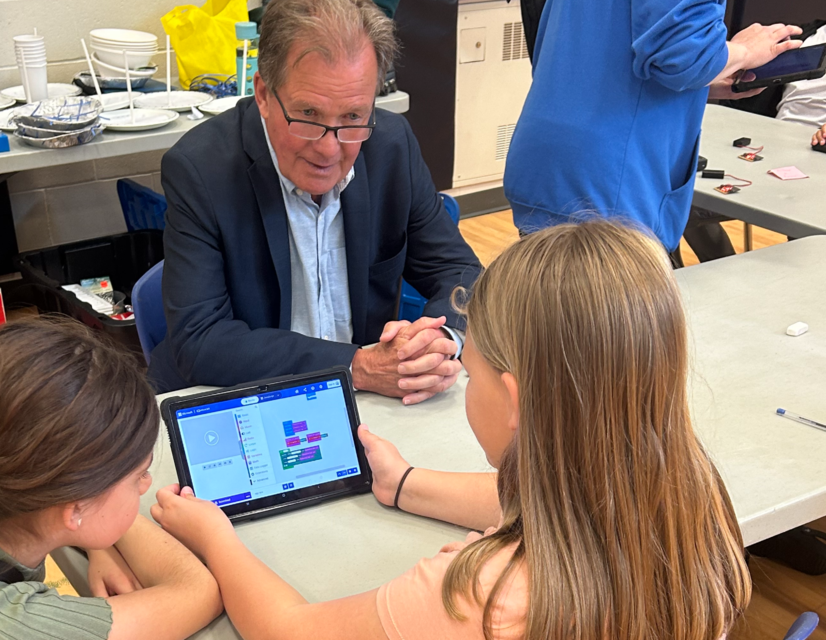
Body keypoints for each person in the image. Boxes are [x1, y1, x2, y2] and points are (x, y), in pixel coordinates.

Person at [149, 220, 751, 640]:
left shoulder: (480, 596)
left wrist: (215, 538)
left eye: (473, 368)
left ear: (512, 399)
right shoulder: (693, 498)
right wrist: (404, 482)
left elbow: (289, 630)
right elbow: (553, 492)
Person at [148, 0, 482, 406]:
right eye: (308, 114)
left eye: (353, 116)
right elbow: (201, 341)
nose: (329, 149)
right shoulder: (201, 169)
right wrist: (355, 365)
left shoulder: (391, 146)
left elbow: (459, 271)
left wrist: (438, 342)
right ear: (264, 95)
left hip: (368, 402)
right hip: (244, 400)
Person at [0, 319, 222, 640]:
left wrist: (94, 533)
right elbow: (198, 594)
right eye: (138, 475)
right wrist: (215, 536)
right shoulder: (10, 626)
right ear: (72, 504)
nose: (146, 485)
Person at [503, 0, 804, 252]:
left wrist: (703, 82)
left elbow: (607, 49)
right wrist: (745, 52)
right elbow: (682, 56)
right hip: (610, 185)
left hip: (555, 162)